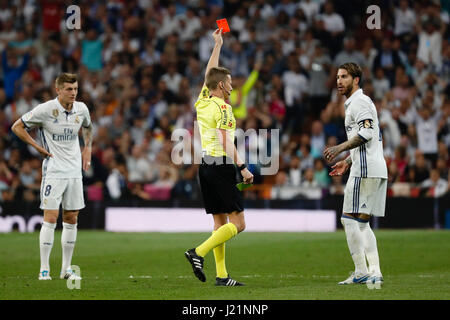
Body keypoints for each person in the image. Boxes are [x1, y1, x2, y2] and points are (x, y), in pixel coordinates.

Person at [184, 29, 253, 286]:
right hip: (222, 166)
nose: (233, 86)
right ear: (222, 86)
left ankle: (222, 276)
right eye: (231, 82)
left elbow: (208, 74)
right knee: (239, 223)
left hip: (206, 166)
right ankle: (197, 252)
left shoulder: (202, 101)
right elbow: (226, 140)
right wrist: (243, 167)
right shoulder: (224, 108)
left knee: (220, 223)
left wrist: (217, 46)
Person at [11, 73, 93, 281]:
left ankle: (66, 269)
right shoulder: (46, 110)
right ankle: (44, 269)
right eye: (69, 89)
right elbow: (17, 126)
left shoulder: (81, 109)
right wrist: (36, 146)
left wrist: (88, 148)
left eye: (75, 89)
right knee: (49, 218)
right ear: (58, 90)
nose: (73, 93)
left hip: (74, 171)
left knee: (71, 218)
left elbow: (88, 126)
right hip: (54, 171)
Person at [323, 62, 387, 286]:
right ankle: (371, 271)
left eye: (344, 77)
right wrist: (348, 161)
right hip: (364, 166)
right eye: (338, 77)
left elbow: (368, 132)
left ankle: (365, 270)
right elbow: (369, 136)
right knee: (359, 222)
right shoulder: (356, 103)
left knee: (351, 221)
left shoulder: (359, 102)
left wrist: (340, 148)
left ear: (356, 80)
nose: (339, 81)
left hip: (366, 169)